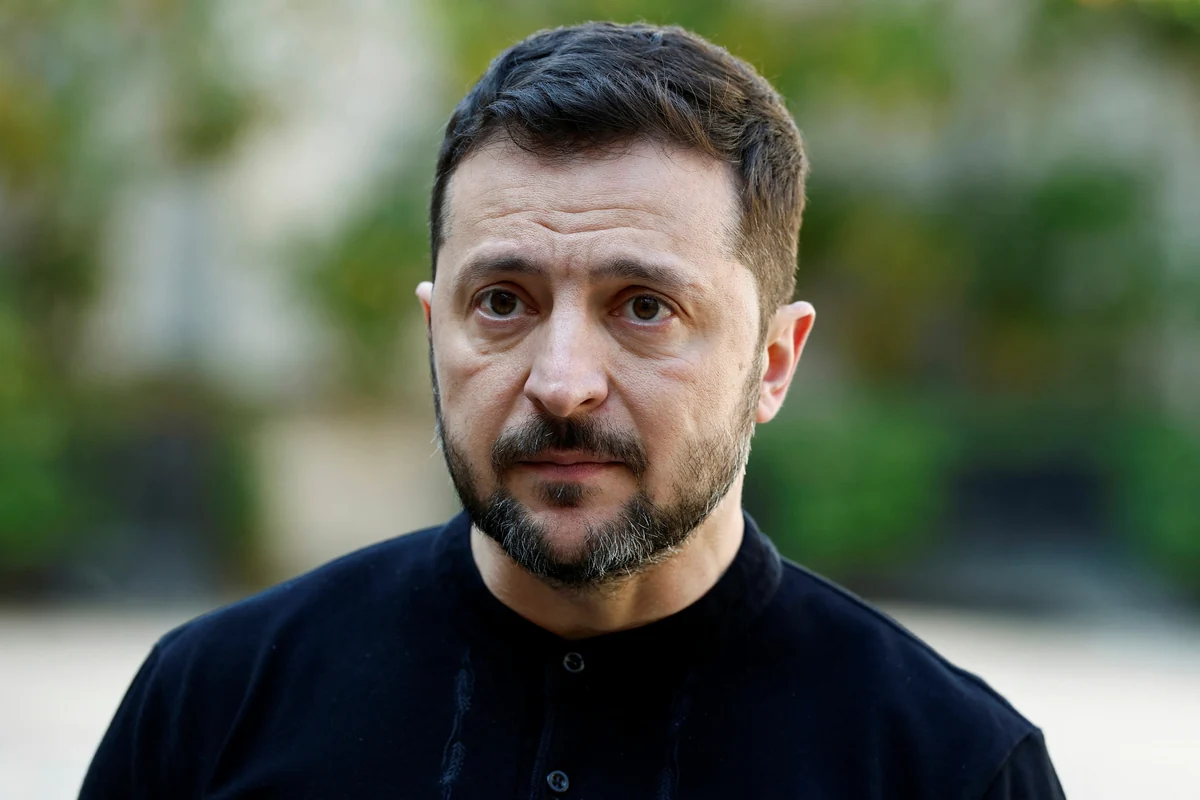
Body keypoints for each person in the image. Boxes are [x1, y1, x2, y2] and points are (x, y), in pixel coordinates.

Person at [81, 21, 1065, 799]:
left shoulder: (951, 766)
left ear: (773, 362)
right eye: (502, 301)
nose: (561, 382)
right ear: (433, 330)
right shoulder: (209, 707)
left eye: (644, 308)